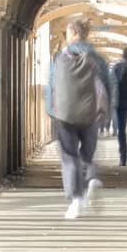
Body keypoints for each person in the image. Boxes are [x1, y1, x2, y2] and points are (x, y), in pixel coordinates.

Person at [45, 19, 113, 220]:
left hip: (64, 115)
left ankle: (76, 200)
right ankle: (91, 179)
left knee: (69, 157)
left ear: (74, 33)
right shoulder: (97, 58)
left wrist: (51, 110)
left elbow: (51, 86)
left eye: (67, 33)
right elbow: (108, 87)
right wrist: (106, 114)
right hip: (91, 114)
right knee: (87, 154)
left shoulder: (60, 57)